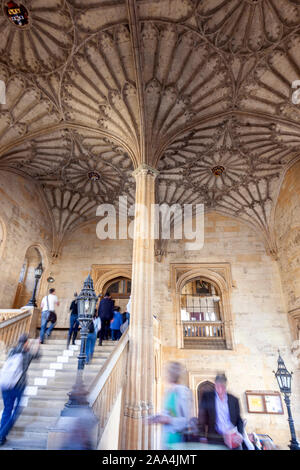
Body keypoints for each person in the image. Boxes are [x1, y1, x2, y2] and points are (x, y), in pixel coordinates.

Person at [0, 334, 40, 446]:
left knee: (7, 410)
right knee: (16, 411)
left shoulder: (11, 351)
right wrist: (36, 344)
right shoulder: (26, 354)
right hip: (18, 386)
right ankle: (1, 435)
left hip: (6, 384)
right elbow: (38, 355)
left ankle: (1, 436)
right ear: (26, 342)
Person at [148, 361, 192, 450]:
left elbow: (185, 420)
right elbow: (167, 413)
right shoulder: (168, 391)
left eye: (168, 372)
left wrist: (168, 420)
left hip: (178, 440)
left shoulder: (183, 391)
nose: (166, 375)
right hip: (167, 439)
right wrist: (155, 418)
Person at [198, 373, 244, 449]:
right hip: (214, 437)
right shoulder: (207, 397)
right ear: (215, 385)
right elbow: (202, 417)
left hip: (232, 437)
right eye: (217, 386)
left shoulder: (234, 400)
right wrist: (202, 436)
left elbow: (239, 420)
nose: (220, 389)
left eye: (222, 386)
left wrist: (240, 435)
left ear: (226, 386)